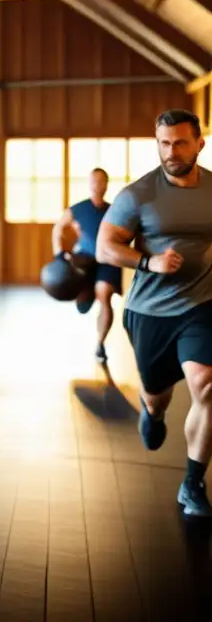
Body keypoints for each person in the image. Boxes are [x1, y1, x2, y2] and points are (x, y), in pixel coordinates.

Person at [96, 109, 212, 517]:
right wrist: (150, 263)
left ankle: (192, 484)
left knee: (206, 384)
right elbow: (105, 247)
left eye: (180, 142)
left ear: (199, 142)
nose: (171, 151)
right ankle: (152, 410)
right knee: (158, 395)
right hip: (150, 311)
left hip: (201, 305)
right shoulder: (139, 194)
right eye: (164, 143)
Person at [52, 167, 122, 365]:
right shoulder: (78, 209)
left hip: (107, 261)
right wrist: (58, 252)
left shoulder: (114, 210)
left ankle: (100, 343)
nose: (97, 185)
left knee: (104, 294)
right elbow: (57, 228)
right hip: (84, 260)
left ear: (106, 185)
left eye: (101, 181)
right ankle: (86, 294)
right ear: (89, 183)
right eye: (93, 181)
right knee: (83, 304)